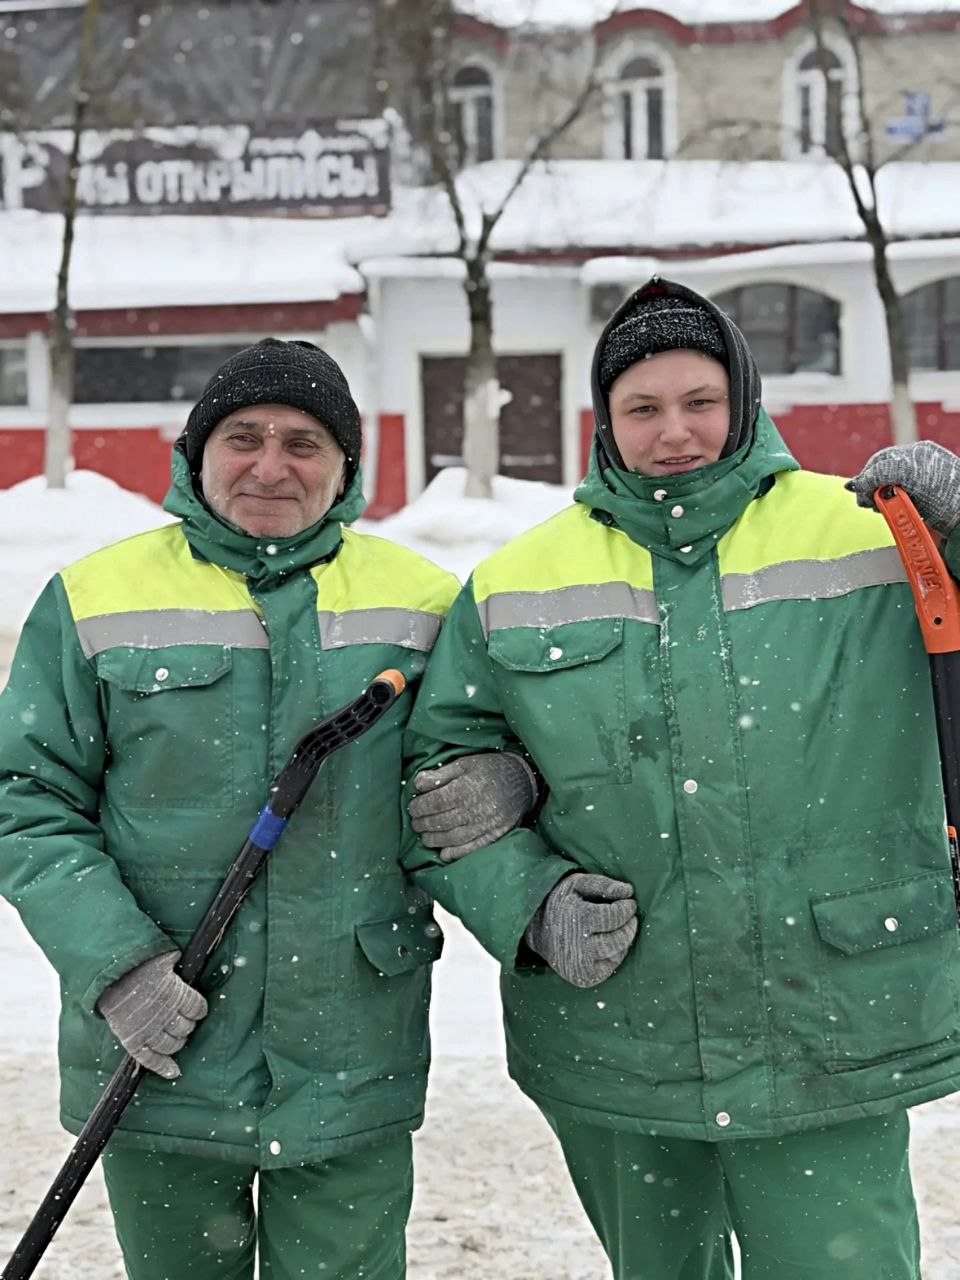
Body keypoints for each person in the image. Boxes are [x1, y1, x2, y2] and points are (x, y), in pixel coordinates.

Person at [403, 278, 960, 1280]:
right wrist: (525, 901)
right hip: (619, 1026)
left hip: (827, 1019)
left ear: (744, 400)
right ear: (604, 421)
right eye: (643, 408)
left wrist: (955, 527)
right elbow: (438, 781)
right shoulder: (518, 579)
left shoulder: (875, 531)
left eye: (700, 402)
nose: (676, 433)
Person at [0, 338, 535, 1280]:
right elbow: (25, 799)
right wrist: (117, 966)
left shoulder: (423, 605)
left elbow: (456, 799)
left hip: (351, 1049)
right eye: (243, 436)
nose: (270, 464)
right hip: (159, 1049)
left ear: (346, 470)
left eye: (304, 442)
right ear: (196, 454)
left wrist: (518, 798)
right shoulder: (94, 598)